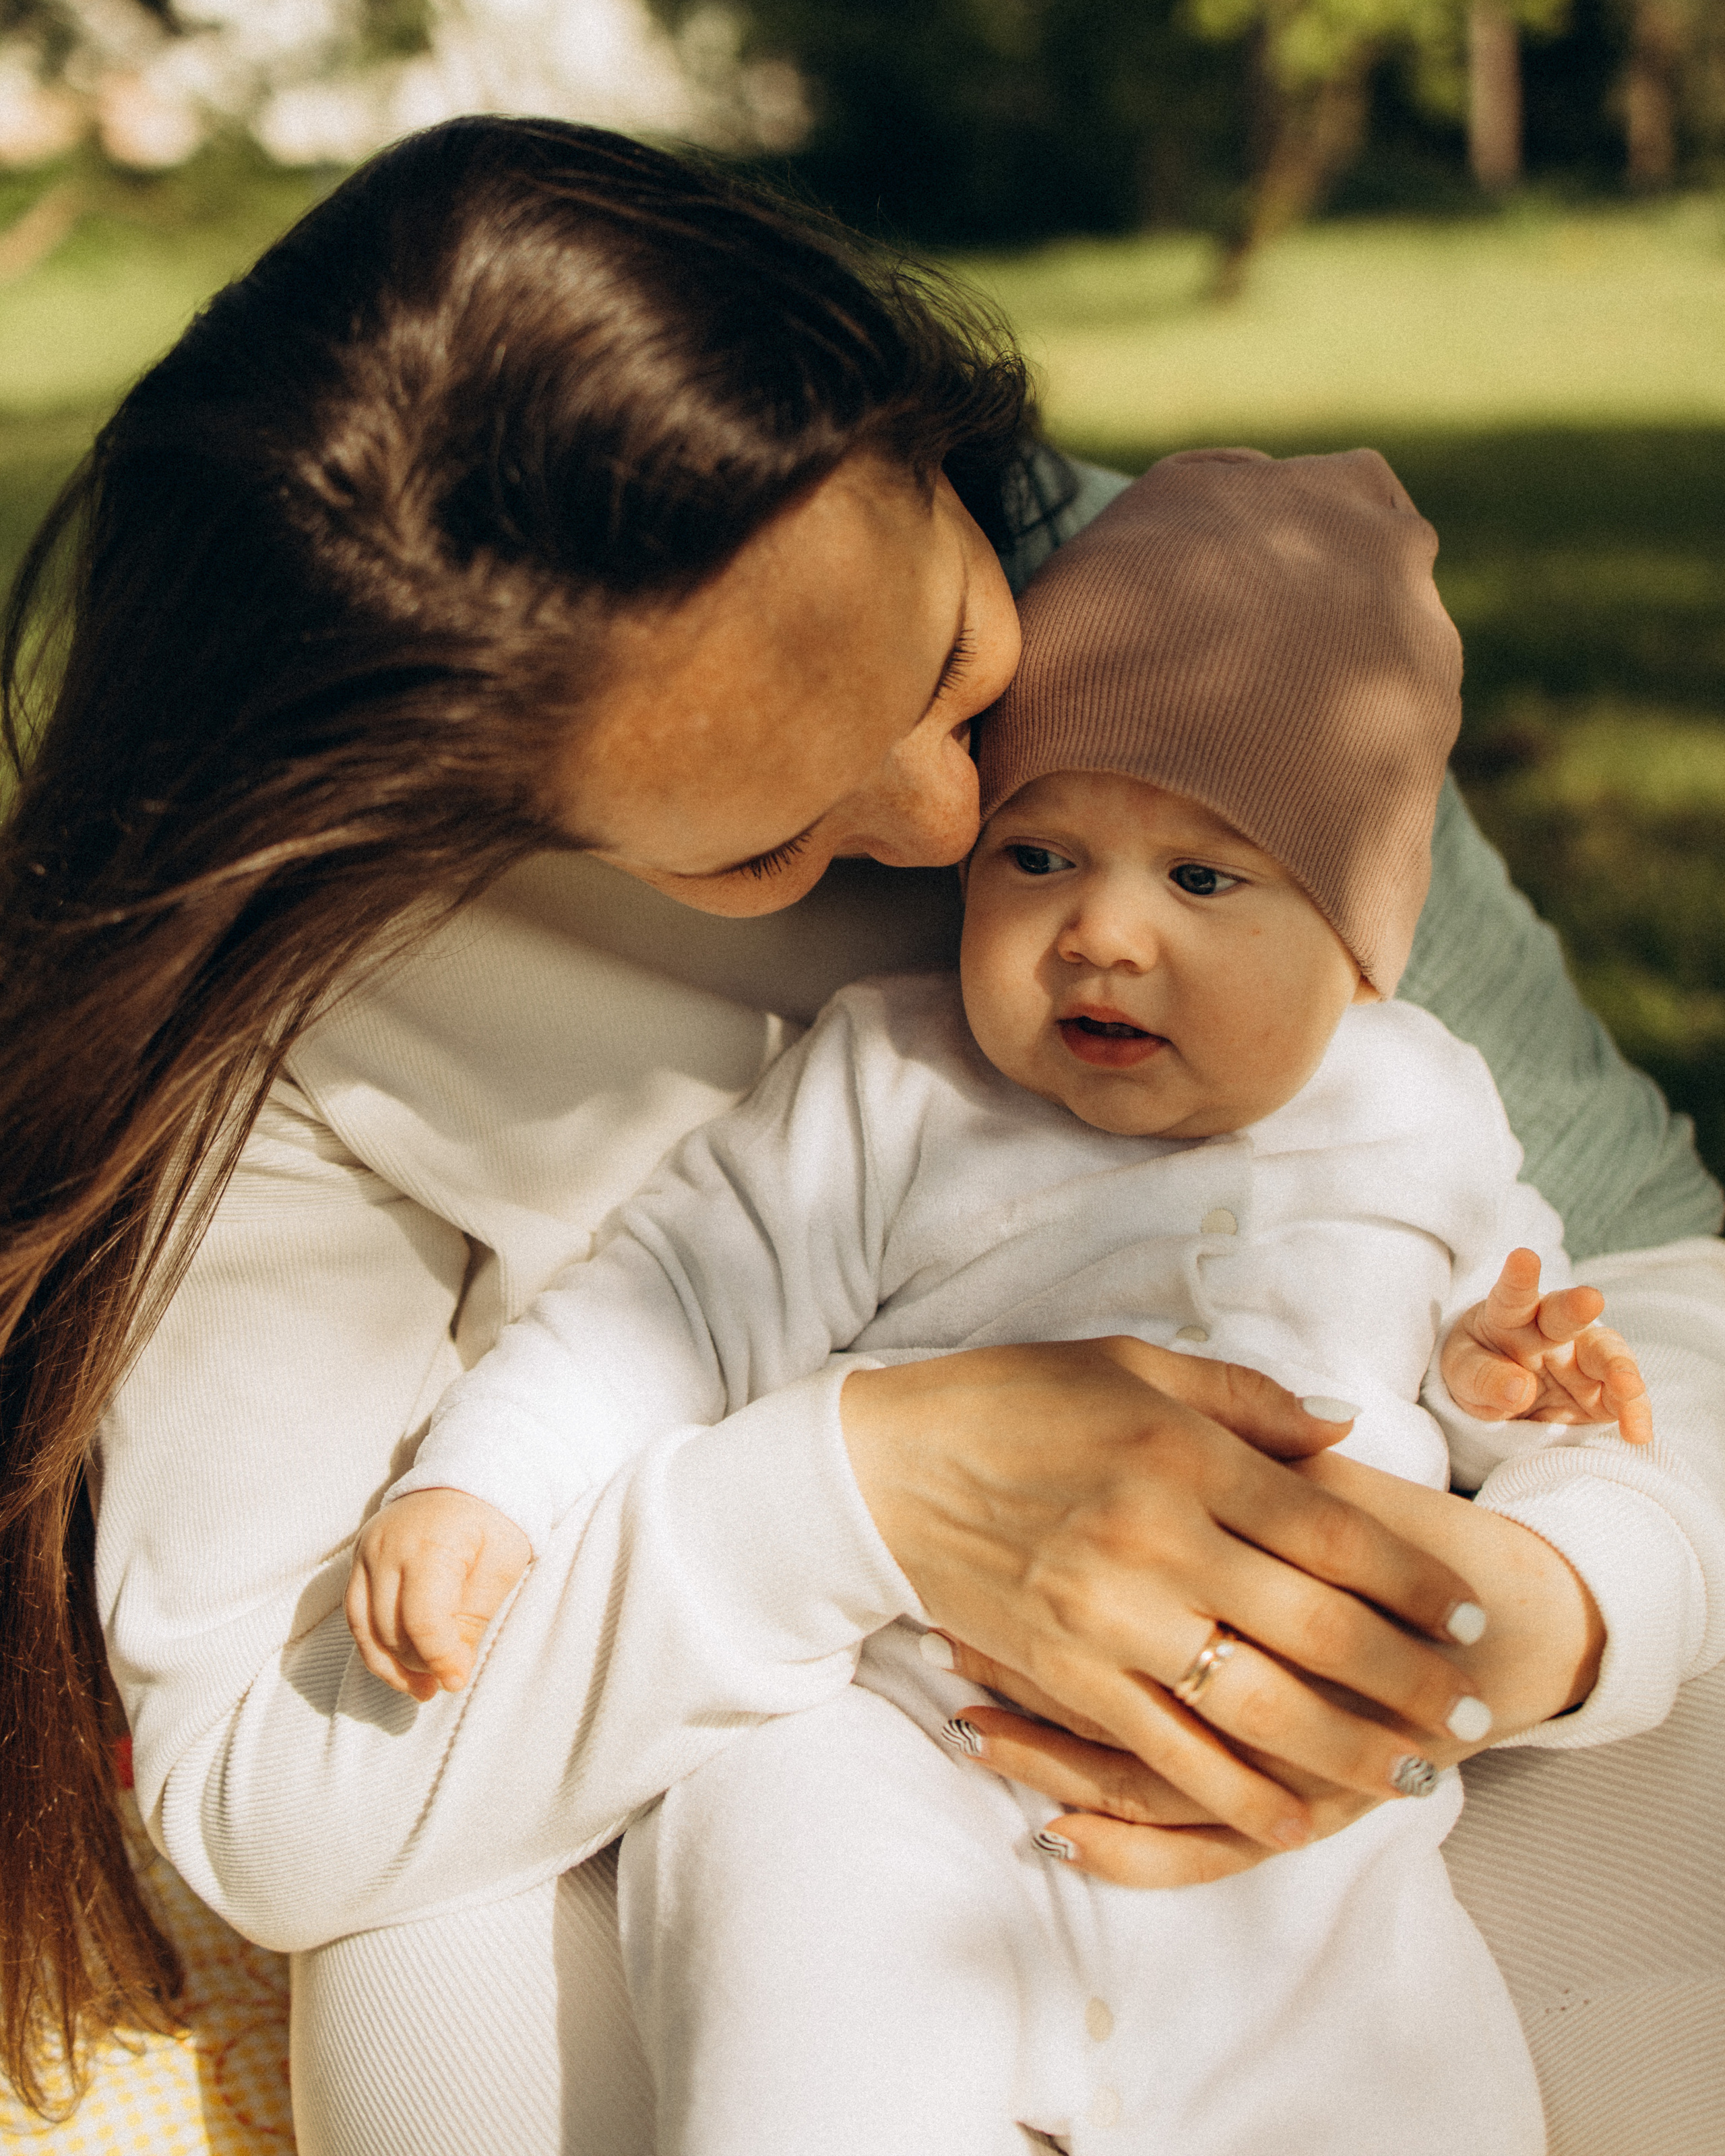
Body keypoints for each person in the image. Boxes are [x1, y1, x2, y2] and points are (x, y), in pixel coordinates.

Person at [0, 117, 1719, 2156]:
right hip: (746, 1781)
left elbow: (1647, 1279)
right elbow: (276, 1788)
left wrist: (1522, 1619)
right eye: (761, 839)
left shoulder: (1192, 635)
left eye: (956, 664)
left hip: (1358, 1801)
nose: (943, 829)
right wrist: (865, 1500)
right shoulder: (307, 1013)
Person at [344, 448, 1658, 2156]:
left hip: (1266, 1811)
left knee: (1410, 2072)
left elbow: (1498, 1352)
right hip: (893, 1734)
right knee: (793, 1948)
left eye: (1202, 880)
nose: (1101, 932)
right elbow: (672, 1296)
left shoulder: (1421, 1105)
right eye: (1039, 855)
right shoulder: (895, 1084)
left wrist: (1504, 1386)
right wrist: (486, 1480)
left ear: (1355, 942)